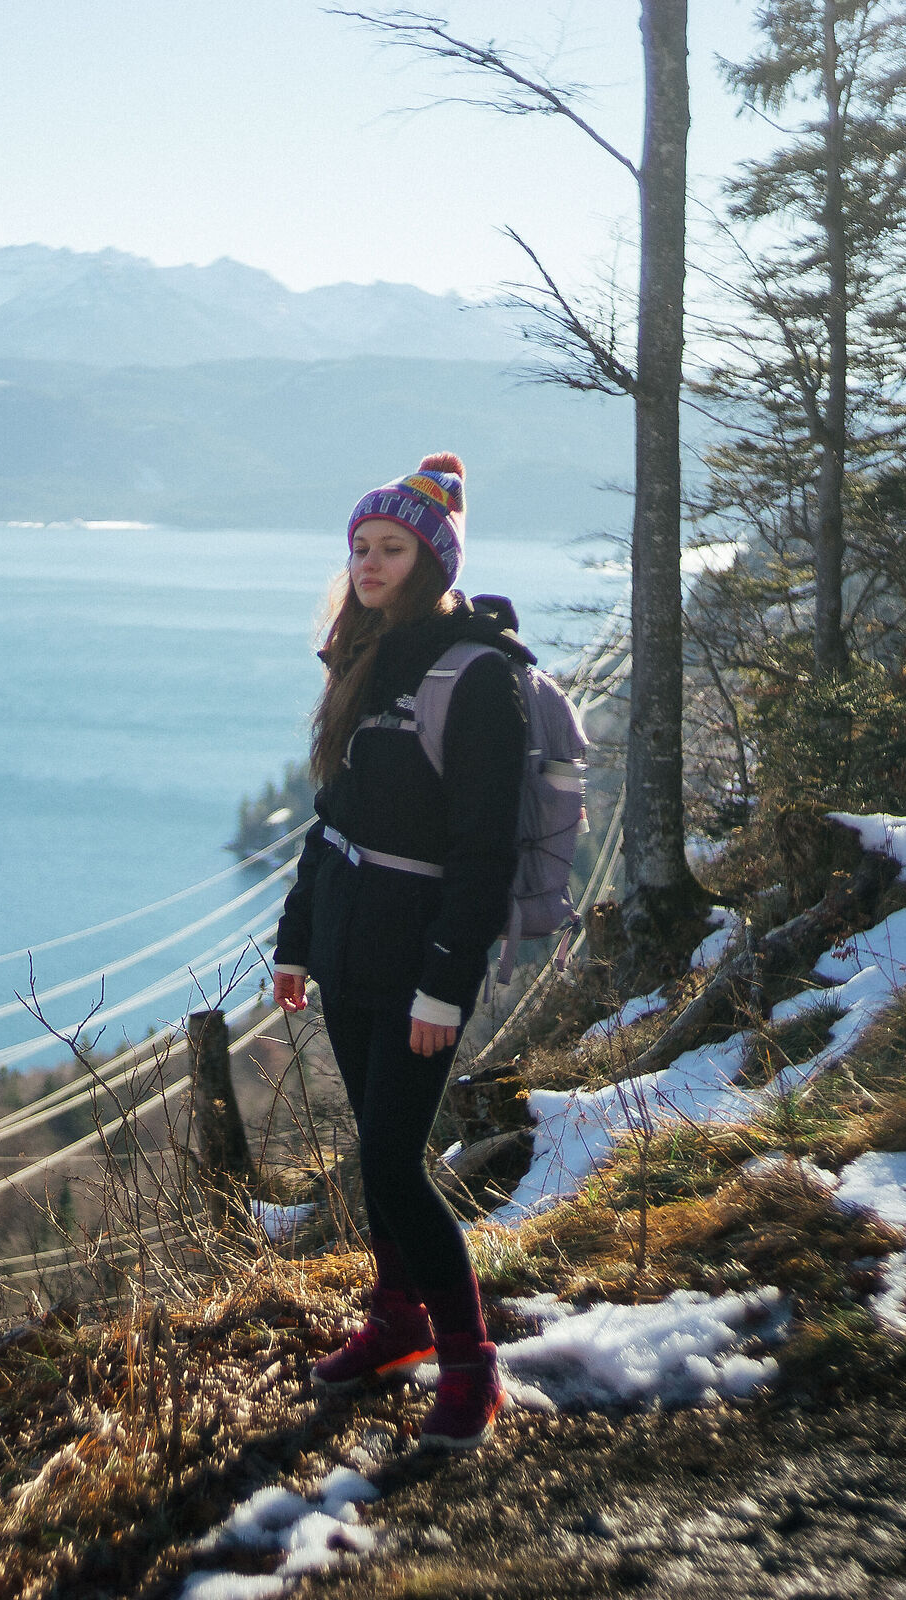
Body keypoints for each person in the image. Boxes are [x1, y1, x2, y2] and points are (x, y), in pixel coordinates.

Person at [270, 450, 529, 1451]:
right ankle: (395, 1320)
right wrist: (296, 944)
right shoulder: (360, 659)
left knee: (392, 1156)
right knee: (375, 1157)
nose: (369, 564)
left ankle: (470, 1364)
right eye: (360, 547)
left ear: (432, 561)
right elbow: (328, 821)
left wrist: (443, 987)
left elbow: (482, 854)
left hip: (419, 958)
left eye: (391, 548)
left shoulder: (478, 676)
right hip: (346, 945)